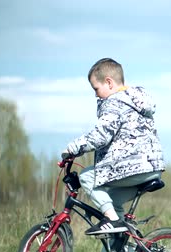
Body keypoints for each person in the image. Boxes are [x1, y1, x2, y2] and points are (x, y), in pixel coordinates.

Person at [62, 58, 165, 235]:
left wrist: (72, 149)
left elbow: (101, 135)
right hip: (151, 167)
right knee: (111, 203)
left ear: (108, 82)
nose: (95, 95)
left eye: (96, 89)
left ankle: (112, 220)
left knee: (87, 176)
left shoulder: (114, 102)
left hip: (133, 167)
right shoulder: (136, 100)